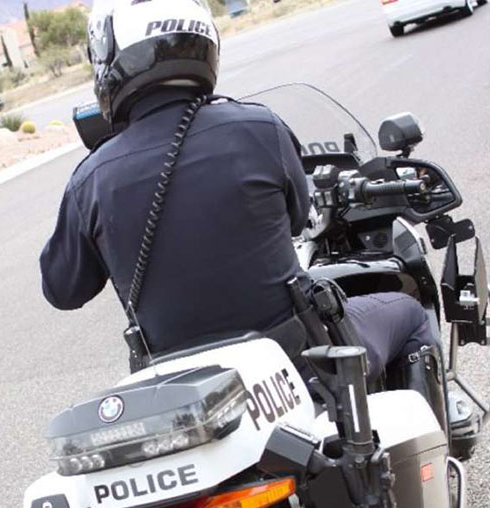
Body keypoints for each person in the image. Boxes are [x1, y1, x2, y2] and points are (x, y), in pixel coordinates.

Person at [39, 0, 445, 429]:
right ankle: (434, 454)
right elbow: (297, 220)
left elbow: (63, 289)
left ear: (111, 66)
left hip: (177, 390)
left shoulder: (91, 178)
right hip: (297, 361)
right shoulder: (259, 128)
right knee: (408, 312)